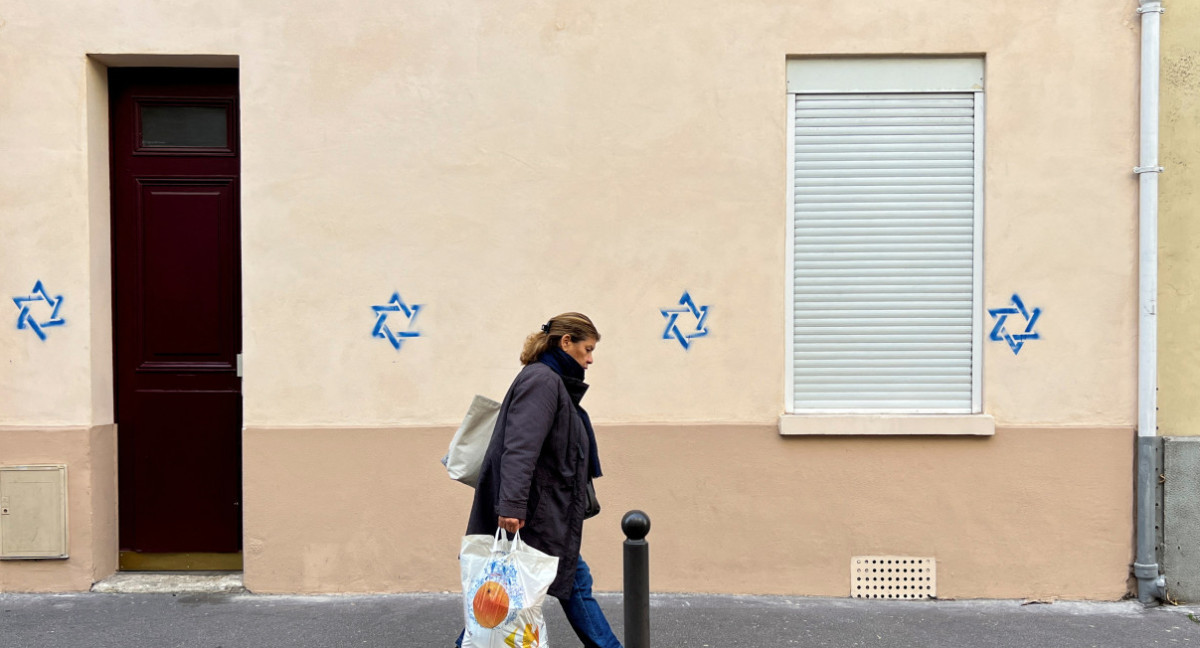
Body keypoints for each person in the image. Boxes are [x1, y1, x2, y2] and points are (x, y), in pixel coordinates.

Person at [456, 312, 621, 648]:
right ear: (566, 342)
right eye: (587, 349)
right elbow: (520, 448)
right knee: (550, 586)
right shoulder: (543, 382)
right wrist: (512, 507)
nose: (590, 359)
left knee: (513, 593)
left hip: (542, 512)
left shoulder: (551, 382)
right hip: (534, 513)